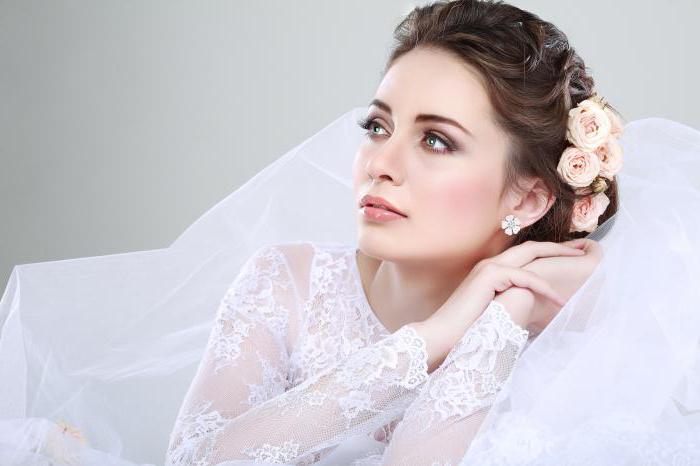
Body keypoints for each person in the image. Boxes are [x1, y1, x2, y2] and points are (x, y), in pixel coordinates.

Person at [1, 1, 699, 465]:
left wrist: (502, 316)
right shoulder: (289, 284)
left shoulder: (563, 330)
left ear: (529, 194)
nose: (380, 163)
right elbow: (195, 464)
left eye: (436, 141)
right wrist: (431, 338)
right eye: (378, 125)